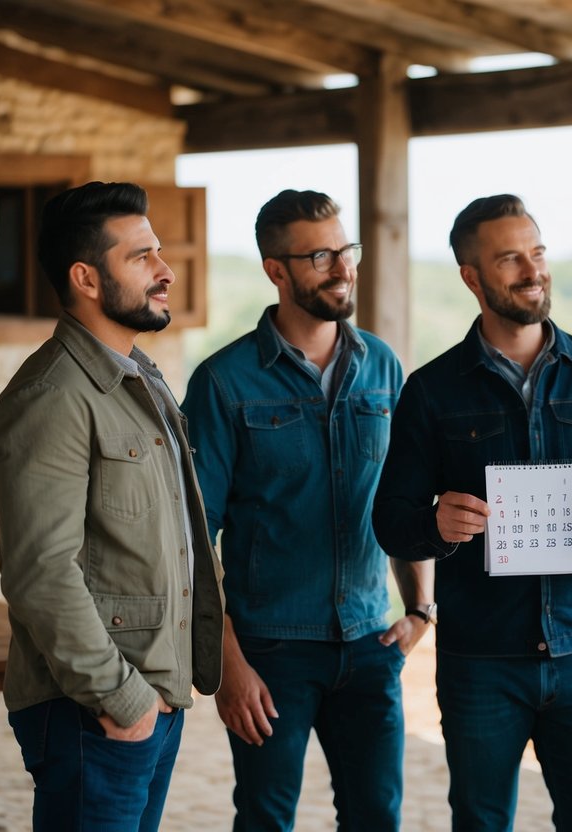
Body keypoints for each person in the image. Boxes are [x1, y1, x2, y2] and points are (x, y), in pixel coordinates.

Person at [372, 194, 572, 831]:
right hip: (479, 664)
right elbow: (390, 519)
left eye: (536, 252)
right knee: (480, 825)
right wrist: (434, 525)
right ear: (472, 277)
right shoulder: (431, 390)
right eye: (509, 258)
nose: (531, 269)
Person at [181, 189, 431, 830]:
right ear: (276, 270)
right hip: (270, 650)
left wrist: (421, 609)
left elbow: (404, 497)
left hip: (371, 642)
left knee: (377, 816)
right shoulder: (224, 381)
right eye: (321, 256)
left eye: (345, 250)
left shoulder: (383, 366)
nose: (344, 267)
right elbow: (188, 537)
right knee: (265, 818)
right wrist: (227, 665)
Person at [0, 181, 224, 830]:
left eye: (160, 252)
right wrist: (123, 698)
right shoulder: (52, 396)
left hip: (148, 702)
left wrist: (153, 701)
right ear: (86, 278)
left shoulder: (141, 378)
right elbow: (41, 573)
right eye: (141, 257)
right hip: (90, 709)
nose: (165, 271)